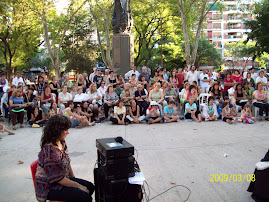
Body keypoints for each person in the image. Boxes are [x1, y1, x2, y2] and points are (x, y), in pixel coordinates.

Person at [35, 115, 95, 202]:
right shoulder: (50, 153)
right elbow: (57, 179)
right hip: (49, 186)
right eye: (65, 130)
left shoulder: (61, 142)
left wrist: (74, 179)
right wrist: (78, 185)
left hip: (62, 179)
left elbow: (67, 162)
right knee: (84, 197)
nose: (68, 132)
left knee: (90, 187)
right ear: (57, 131)